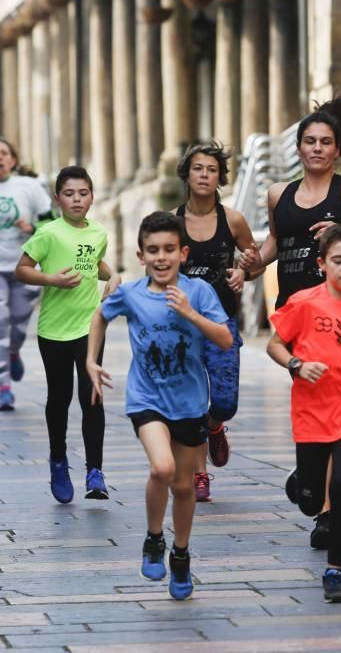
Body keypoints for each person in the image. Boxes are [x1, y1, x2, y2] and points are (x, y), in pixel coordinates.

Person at [238, 92, 341, 550]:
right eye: (309, 141)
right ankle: (310, 480)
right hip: (300, 312)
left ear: (337, 150)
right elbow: (276, 243)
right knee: (314, 406)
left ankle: (327, 515)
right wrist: (250, 266)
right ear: (298, 148)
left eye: (326, 142)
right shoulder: (279, 194)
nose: (317, 148)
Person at [87, 211, 232, 601]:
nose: (162, 257)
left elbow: (223, 340)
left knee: (184, 486)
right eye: (153, 251)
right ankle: (154, 537)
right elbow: (100, 315)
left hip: (188, 403)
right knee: (162, 468)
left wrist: (189, 313)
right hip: (146, 398)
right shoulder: (131, 293)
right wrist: (91, 360)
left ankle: (180, 554)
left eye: (169, 249)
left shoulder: (199, 291)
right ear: (141, 255)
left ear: (183, 253)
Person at [266, 223, 341, 602]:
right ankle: (302, 480)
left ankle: (334, 570)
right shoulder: (303, 303)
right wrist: (297, 365)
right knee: (309, 500)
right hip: (312, 409)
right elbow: (274, 346)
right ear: (322, 263)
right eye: (338, 260)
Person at [15, 166, 120, 503]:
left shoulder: (99, 233)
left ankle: (95, 470)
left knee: (92, 395)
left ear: (92, 196)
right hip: (53, 329)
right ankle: (58, 460)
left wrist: (113, 278)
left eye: (83, 193)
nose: (77, 199)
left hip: (90, 326)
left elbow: (94, 263)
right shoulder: (48, 233)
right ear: (57, 198)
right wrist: (52, 280)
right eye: (70, 194)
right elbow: (22, 270)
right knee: (59, 398)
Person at [173, 142, 259, 502]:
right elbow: (156, 267)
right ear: (187, 175)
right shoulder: (172, 222)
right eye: (198, 169)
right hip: (181, 328)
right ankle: (199, 475)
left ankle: (216, 426)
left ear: (220, 177)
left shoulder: (233, 220)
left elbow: (254, 263)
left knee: (225, 402)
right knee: (190, 404)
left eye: (211, 169)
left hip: (222, 323)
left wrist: (242, 272)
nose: (204, 175)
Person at [0, 138, 53, 411]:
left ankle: (14, 351)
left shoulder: (30, 187)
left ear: (13, 160)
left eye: (4, 153)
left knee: (17, 327)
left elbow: (51, 224)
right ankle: (4, 387)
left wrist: (32, 228)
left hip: (25, 267)